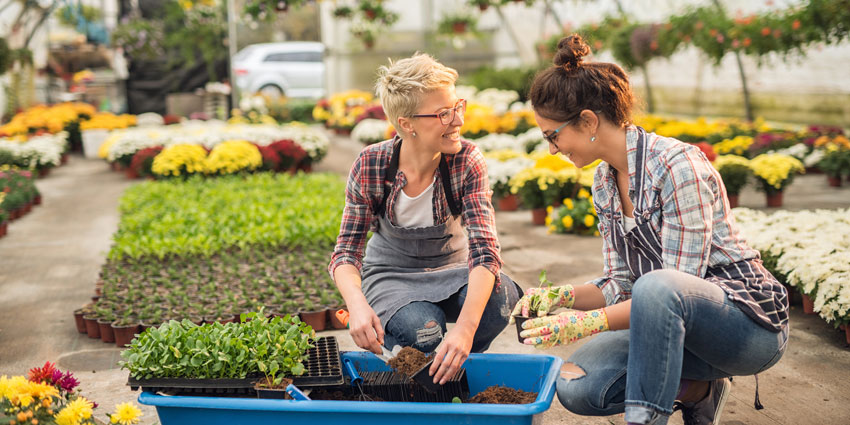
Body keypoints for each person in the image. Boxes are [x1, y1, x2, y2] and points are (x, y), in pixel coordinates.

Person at [511, 35, 789, 425]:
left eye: (552, 135)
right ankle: (699, 391)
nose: (552, 149)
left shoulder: (676, 167)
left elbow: (675, 289)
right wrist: (563, 298)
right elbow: (622, 283)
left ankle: (644, 420)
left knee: (659, 285)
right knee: (578, 385)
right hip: (671, 328)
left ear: (588, 121)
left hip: (745, 326)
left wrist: (586, 323)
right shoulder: (605, 182)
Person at [329, 53, 521, 386]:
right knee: (424, 332)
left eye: (457, 106)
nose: (458, 120)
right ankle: (432, 375)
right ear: (407, 124)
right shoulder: (372, 164)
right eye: (444, 113)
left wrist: (463, 331)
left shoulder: (466, 161)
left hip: (454, 268)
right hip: (393, 275)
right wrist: (357, 306)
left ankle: (452, 367)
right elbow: (346, 252)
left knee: (500, 300)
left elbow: (485, 253)